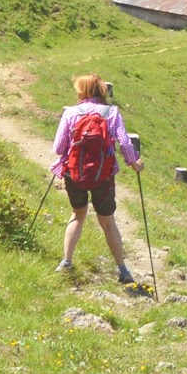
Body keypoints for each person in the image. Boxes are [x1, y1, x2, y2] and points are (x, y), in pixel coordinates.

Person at [52, 74, 143, 284]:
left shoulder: (71, 113)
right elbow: (125, 143)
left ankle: (66, 262)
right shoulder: (112, 113)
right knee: (108, 222)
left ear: (82, 91)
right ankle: (122, 269)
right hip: (104, 175)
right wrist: (134, 163)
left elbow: (58, 147)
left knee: (78, 214)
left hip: (74, 173)